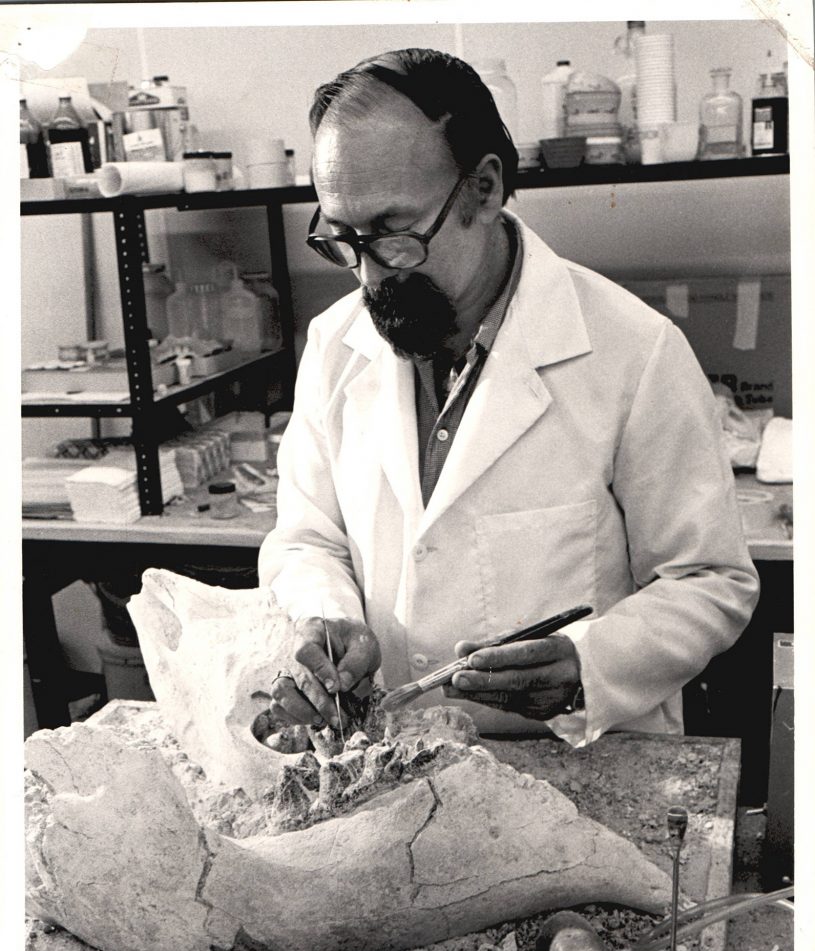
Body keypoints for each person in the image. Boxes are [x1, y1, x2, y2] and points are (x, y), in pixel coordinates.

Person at [258, 48, 759, 746]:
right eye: (343, 238)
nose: (370, 276)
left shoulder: (631, 350)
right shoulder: (335, 341)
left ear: (483, 190)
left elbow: (708, 579)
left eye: (395, 234)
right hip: (393, 758)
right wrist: (326, 618)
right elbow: (307, 539)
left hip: (576, 762)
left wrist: (588, 664)